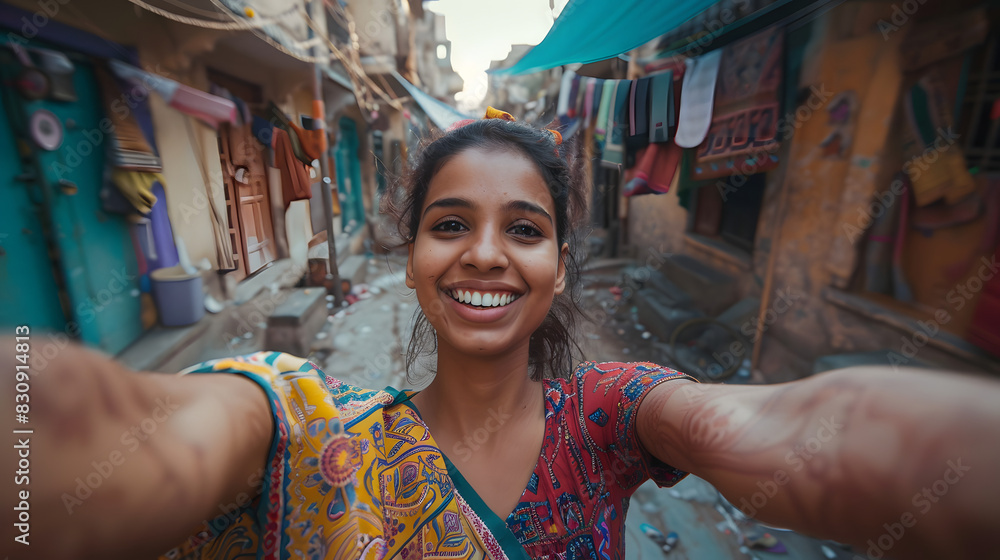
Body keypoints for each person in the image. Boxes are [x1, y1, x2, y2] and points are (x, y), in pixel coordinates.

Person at [6, 111, 1000, 560]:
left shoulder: (608, 413)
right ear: (411, 259)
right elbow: (135, 435)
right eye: (450, 225)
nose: (485, 253)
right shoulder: (299, 424)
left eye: (523, 229)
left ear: (560, 265)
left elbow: (814, 427)